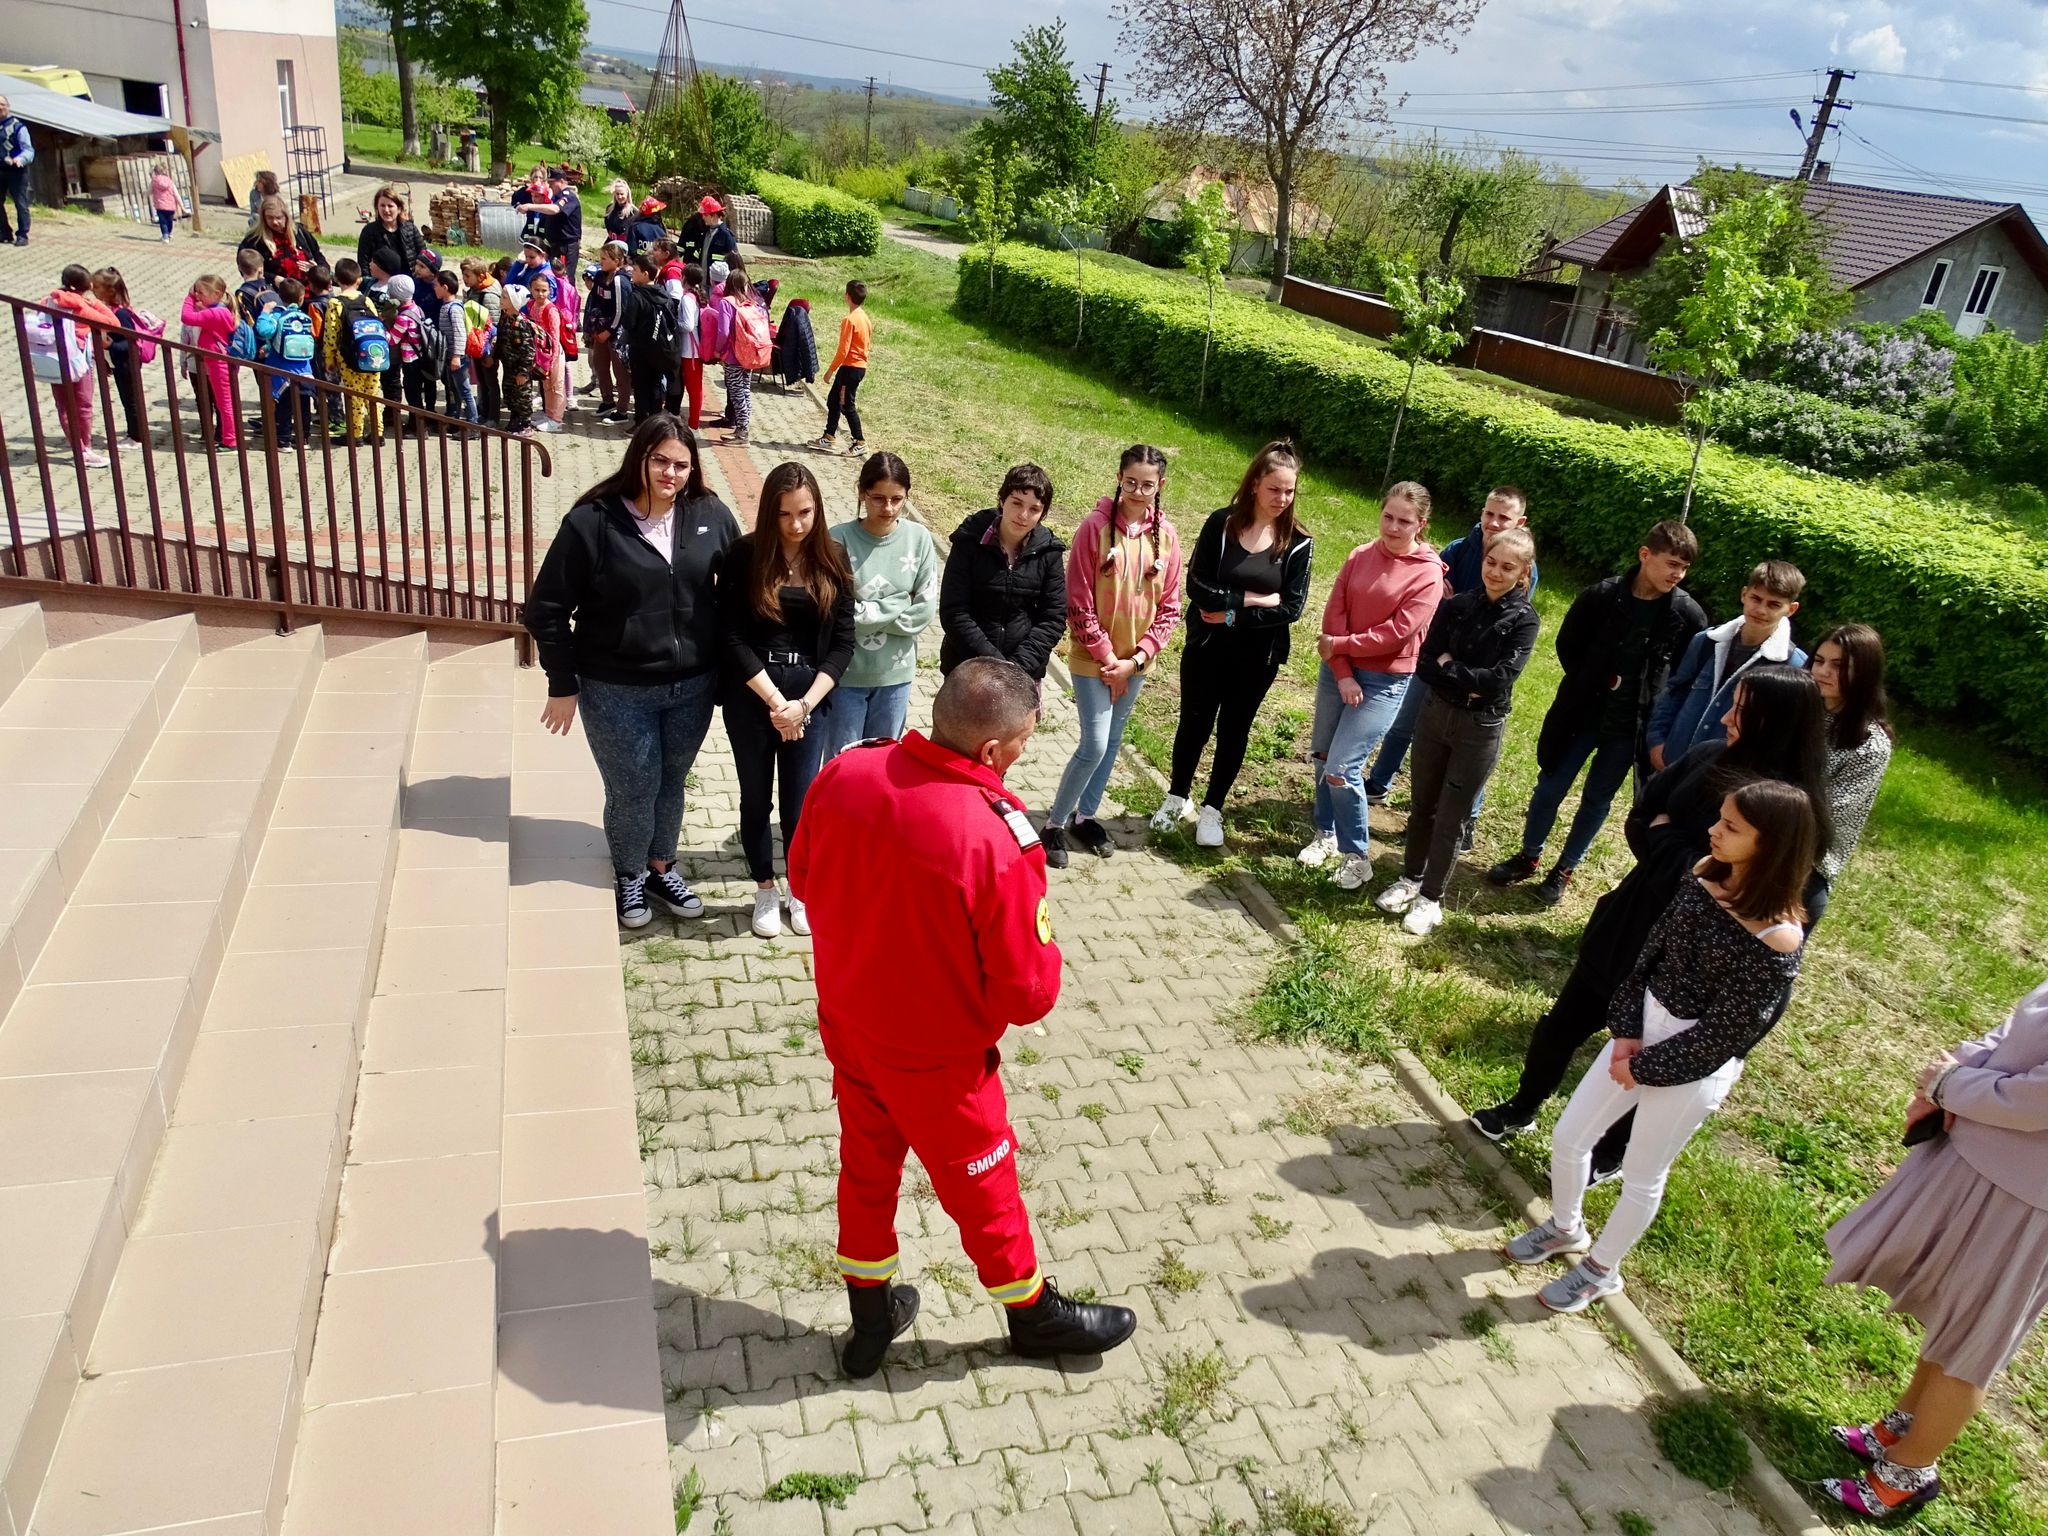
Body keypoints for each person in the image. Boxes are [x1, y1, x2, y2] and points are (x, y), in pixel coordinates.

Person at [789, 657, 1142, 1376]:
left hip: (850, 1026)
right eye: (1024, 742)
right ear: (991, 749)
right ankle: (1032, 1314)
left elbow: (802, 876)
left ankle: (869, 1315)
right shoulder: (995, 837)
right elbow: (1027, 995)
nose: (1023, 754)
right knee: (985, 1188)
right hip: (936, 1056)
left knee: (866, 1169)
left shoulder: (847, 772)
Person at [1470, 665, 1831, 1145]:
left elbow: (1727, 880)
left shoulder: (1789, 808)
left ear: (1778, 723)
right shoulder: (1707, 756)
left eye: (1742, 711)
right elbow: (1641, 817)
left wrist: (1669, 841)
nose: (1726, 718)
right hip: (1630, 922)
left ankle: (1610, 1152)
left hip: (1690, 962)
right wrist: (1682, 855)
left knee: (1651, 1060)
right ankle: (1523, 1106)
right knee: (1563, 1023)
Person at [1504, 778, 1815, 1314]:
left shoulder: (1777, 938)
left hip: (1692, 1069)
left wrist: (1646, 1068)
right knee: (1570, 1135)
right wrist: (1627, 1032)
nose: (1713, 831)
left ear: (1771, 845)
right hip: (1640, 1033)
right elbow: (1649, 957)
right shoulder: (1704, 874)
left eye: (1730, 826)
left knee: (1643, 1173)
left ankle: (1601, 1270)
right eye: (1720, 818)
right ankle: (1566, 1226)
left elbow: (1725, 1034)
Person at [1818, 978, 2048, 1521]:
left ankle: (1909, 1472)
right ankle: (1904, 1426)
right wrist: (1948, 1075)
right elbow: (2015, 1032)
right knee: (1952, 1318)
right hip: (1982, 1158)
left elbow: (2039, 1100)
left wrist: (1950, 1084)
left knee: (1974, 1341)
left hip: (2031, 1201)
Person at [526, 416, 741, 927]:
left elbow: (741, 591)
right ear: (639, 459)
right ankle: (630, 874)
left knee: (672, 781)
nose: (671, 473)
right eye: (660, 460)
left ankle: (661, 866)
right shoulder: (592, 522)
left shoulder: (710, 514)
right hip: (616, 689)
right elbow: (546, 610)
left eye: (681, 464)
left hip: (693, 686)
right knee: (633, 788)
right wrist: (563, 683)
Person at [1487, 521, 1707, 906]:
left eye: (1684, 568)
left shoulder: (1687, 614)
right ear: (1645, 555)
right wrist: (1591, 680)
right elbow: (1568, 644)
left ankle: (1565, 869)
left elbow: (1685, 676)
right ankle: (1528, 856)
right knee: (1550, 787)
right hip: (1581, 716)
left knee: (1596, 799)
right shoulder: (1602, 596)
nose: (1678, 574)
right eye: (1672, 563)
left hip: (1628, 730)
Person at [1376, 527, 1541, 937]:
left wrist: (1451, 667)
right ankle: (1410, 878)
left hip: (1479, 727)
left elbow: (1499, 680)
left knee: (1453, 816)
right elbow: (1425, 661)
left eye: (1507, 567)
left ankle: (1431, 898)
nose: (1495, 573)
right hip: (1435, 715)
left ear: (1523, 573)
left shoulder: (1524, 621)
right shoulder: (1457, 605)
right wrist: (1461, 676)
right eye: (1491, 562)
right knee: (1422, 806)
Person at [719, 462, 856, 939]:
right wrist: (779, 702)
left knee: (798, 806)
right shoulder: (744, 555)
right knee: (755, 799)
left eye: (804, 512)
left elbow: (844, 644)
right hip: (753, 698)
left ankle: (799, 890)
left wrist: (805, 706)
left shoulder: (834, 558)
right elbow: (730, 637)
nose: (796, 524)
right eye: (784, 514)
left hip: (808, 703)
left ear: (817, 509)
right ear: (768, 512)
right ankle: (764, 887)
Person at [1155, 440, 1314, 849]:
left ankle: (1213, 808)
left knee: (1234, 730)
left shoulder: (1298, 541)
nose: (1282, 498)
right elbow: (1198, 586)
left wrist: (1231, 614)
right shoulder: (1221, 524)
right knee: (1194, 722)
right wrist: (1253, 598)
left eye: (1289, 491)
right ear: (1255, 484)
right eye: (1274, 489)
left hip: (1257, 657)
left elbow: (1291, 607)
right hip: (1207, 646)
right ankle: (1177, 796)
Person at [1039, 447, 1183, 870]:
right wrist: (1108, 658)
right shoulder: (1094, 527)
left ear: (1160, 486)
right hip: (1093, 659)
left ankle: (1086, 816)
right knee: (1095, 743)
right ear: (1119, 478)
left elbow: (1170, 608)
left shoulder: (1167, 537)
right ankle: (1053, 823)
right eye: (1131, 482)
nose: (1138, 491)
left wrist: (1135, 661)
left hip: (1135, 663)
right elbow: (1079, 601)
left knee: (1114, 741)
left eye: (1148, 485)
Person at [1297, 483, 1444, 889]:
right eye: (1388, 516)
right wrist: (1342, 670)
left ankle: (1357, 857)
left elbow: (1397, 634)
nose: (1393, 527)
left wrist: (1339, 646)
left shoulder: (1428, 574)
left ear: (1421, 524)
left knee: (1343, 769)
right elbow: (1334, 614)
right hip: (1338, 673)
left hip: (1384, 680)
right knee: (1323, 757)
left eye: (1404, 521)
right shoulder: (1360, 555)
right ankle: (1325, 833)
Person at [1364, 485, 1537, 807]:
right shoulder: (1458, 549)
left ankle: (1468, 813)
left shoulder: (1526, 567)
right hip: (1437, 653)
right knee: (1405, 721)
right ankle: (1378, 782)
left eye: (1504, 517)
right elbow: (1431, 590)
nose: (1494, 522)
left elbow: (1511, 618)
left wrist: (1455, 603)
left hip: (1477, 674)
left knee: (1471, 754)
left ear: (1520, 522)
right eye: (1489, 513)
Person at [820, 453, 938, 759]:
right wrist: (899, 602)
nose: (888, 508)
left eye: (897, 499)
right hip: (845, 675)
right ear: (862, 492)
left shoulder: (919, 539)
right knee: (841, 764)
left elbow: (923, 612)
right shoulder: (837, 539)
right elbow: (835, 613)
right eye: (878, 498)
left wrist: (865, 611)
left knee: (882, 764)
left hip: (895, 677)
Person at [1648, 560, 1807, 768]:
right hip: (1675, 762)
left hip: (1727, 773)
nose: (1761, 610)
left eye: (1774, 605)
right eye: (1756, 598)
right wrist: (1657, 741)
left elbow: (1781, 732)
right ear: (1744, 594)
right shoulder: (1705, 642)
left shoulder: (1793, 665)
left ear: (1791, 609)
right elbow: (1675, 691)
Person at [939, 465, 1069, 681]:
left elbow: (1053, 618)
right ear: (1002, 500)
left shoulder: (1049, 551)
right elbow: (954, 612)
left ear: (1043, 514)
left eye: (1034, 509)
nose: (1023, 515)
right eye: (1016, 503)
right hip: (967, 671)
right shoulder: (969, 540)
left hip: (1023, 675)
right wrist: (996, 665)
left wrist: (1016, 668)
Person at [1807, 623, 1895, 928]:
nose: (1823, 672)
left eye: (1839, 666)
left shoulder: (1870, 744)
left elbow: (1825, 815)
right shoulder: (1797, 711)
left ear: (1864, 674)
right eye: (1819, 661)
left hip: (1806, 864)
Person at [38, 265, 118, 466]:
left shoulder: (48, 301)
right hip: (78, 362)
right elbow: (113, 323)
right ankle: (85, 449)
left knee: (64, 406)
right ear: (87, 286)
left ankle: (78, 448)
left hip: (54, 359)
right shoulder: (80, 306)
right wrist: (96, 303)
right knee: (83, 405)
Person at [321, 259, 385, 444]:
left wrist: (329, 359)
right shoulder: (366, 300)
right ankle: (377, 433)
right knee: (372, 394)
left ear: (336, 279)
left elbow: (331, 333)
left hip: (349, 358)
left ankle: (355, 434)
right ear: (359, 279)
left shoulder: (335, 303)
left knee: (354, 395)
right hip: (373, 355)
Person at [90, 267, 153, 444]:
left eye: (96, 287)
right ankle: (133, 432)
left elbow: (131, 342)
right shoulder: (106, 310)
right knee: (126, 400)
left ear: (109, 291)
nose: (93, 291)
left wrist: (111, 346)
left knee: (132, 401)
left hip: (127, 364)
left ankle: (137, 437)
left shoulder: (121, 314)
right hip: (117, 363)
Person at [255, 275, 319, 448]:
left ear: (279, 296)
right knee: (303, 407)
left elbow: (264, 330)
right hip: (304, 372)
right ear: (301, 298)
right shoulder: (303, 317)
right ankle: (303, 439)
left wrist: (265, 312)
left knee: (284, 407)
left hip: (282, 373)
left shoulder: (277, 316)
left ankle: (283, 440)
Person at [180, 273, 240, 451]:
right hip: (215, 362)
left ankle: (230, 441)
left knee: (224, 403)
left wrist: (189, 297)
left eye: (201, 293)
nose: (197, 296)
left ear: (216, 294)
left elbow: (187, 317)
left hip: (219, 364)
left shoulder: (216, 313)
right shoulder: (218, 309)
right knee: (222, 403)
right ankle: (228, 438)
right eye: (196, 292)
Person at [622, 252, 681, 427]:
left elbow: (629, 322)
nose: (632, 272)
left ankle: (641, 423)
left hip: (640, 349)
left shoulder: (637, 296)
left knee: (641, 386)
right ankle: (655, 422)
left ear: (645, 273)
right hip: (659, 349)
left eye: (635, 270)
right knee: (656, 384)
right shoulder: (664, 294)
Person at [813, 280, 872, 455]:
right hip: (857, 367)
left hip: (851, 368)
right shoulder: (865, 318)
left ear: (847, 296)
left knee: (846, 405)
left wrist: (830, 370)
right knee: (833, 400)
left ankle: (860, 441)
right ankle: (829, 436)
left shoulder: (849, 320)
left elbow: (843, 350)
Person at [713, 269, 764, 445]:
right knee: (745, 390)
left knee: (736, 392)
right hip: (749, 354)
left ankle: (742, 433)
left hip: (733, 355)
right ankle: (744, 427)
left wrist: (718, 350)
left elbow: (723, 331)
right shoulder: (752, 303)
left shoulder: (726, 303)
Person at [585, 241, 633, 422]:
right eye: (601, 258)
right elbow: (594, 302)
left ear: (617, 260)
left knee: (620, 372)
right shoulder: (600, 276)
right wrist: (594, 328)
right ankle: (607, 401)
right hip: (600, 331)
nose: (601, 262)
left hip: (616, 334)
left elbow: (621, 311)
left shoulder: (620, 280)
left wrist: (609, 331)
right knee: (600, 365)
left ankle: (622, 410)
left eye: (605, 259)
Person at [239, 196, 325, 286]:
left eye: (278, 217)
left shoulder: (299, 232)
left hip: (309, 290)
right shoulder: (254, 240)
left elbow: (318, 256)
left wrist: (317, 270)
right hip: (277, 292)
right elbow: (247, 269)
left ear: (286, 216)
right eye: (270, 218)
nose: (275, 222)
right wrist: (273, 278)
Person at [383, 274, 436, 418]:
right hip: (421, 355)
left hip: (411, 360)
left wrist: (382, 326)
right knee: (418, 390)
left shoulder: (403, 317)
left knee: (412, 392)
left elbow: (392, 340)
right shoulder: (416, 308)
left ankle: (416, 423)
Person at [459, 257, 502, 426]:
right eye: (463, 275)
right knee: (482, 382)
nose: (464, 279)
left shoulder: (489, 295)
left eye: (467, 275)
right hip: (476, 345)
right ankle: (483, 412)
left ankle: (493, 416)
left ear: (481, 276)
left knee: (490, 382)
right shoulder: (474, 289)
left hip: (487, 348)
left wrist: (490, 353)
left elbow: (494, 328)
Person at [495, 284, 539, 437]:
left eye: (505, 297)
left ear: (514, 301)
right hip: (508, 366)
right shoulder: (504, 318)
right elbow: (500, 340)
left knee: (522, 396)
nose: (501, 299)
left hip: (519, 369)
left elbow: (528, 351)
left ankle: (526, 424)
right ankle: (515, 418)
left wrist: (523, 372)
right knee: (510, 393)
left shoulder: (521, 323)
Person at [433, 270, 476, 426]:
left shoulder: (454, 309)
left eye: (436, 285)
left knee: (464, 391)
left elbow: (460, 333)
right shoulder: (445, 306)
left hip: (457, 359)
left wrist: (457, 356)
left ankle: (473, 424)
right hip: (449, 357)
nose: (434, 288)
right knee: (454, 389)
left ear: (445, 287)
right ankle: (456, 420)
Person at [356, 184, 424, 282]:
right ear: (377, 208)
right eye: (382, 205)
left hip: (410, 282)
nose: (386, 210)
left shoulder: (410, 228)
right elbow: (363, 264)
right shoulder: (369, 231)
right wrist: (368, 284)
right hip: (381, 283)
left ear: (399, 208)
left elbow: (423, 255)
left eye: (390, 206)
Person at [528, 271, 567, 433]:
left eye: (544, 290)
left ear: (550, 290)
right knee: (546, 385)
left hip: (554, 354)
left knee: (556, 386)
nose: (540, 294)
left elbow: (555, 338)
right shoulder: (532, 305)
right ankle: (548, 414)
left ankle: (556, 420)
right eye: (537, 290)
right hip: (541, 353)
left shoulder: (551, 310)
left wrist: (553, 360)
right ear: (530, 289)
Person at [675, 262, 707, 429]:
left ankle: (694, 422)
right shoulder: (695, 295)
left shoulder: (688, 298)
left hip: (690, 350)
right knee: (694, 387)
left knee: (694, 388)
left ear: (685, 278)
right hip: (692, 348)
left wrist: (675, 323)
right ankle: (693, 420)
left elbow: (687, 325)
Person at [0, 95, 34, 247]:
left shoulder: (18, 127)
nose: (0, 108)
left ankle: (22, 235)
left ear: (8, 107)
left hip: (16, 171)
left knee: (20, 203)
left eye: (2, 104)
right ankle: (4, 232)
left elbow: (28, 150)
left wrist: (20, 159)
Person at [681, 194, 738, 272]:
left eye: (705, 215)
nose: (703, 217)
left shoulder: (726, 236)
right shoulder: (705, 233)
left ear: (714, 215)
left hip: (717, 279)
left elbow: (734, 263)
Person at [149, 162, 180, 243]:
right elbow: (176, 194)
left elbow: (149, 191)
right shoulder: (169, 180)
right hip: (171, 205)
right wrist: (181, 205)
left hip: (160, 205)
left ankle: (165, 236)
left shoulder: (154, 181)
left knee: (163, 222)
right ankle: (169, 233)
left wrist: (145, 194)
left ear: (155, 172)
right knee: (169, 221)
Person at [602, 178, 635, 245]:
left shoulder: (633, 212)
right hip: (610, 243)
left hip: (625, 245)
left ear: (627, 194)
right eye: (617, 194)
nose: (619, 197)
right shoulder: (609, 209)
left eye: (622, 194)